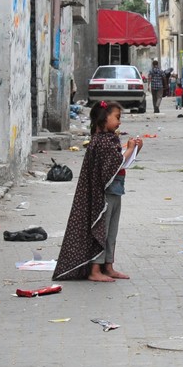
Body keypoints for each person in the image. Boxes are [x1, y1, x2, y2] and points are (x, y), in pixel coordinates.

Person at [52, 101, 143, 282]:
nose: (119, 122)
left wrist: (135, 149)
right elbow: (116, 162)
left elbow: (120, 161)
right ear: (104, 118)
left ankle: (108, 266)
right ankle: (95, 269)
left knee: (112, 232)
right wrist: (130, 149)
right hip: (105, 194)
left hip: (116, 190)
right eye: (117, 117)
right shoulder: (101, 141)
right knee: (102, 230)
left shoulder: (109, 139)